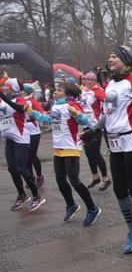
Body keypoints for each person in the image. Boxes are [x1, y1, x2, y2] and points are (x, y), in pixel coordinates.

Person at [81, 45, 132, 258]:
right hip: (114, 143)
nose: (110, 58)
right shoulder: (109, 85)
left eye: (114, 56)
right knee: (119, 190)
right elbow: (109, 113)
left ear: (125, 60)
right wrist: (94, 130)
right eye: (109, 55)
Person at [28, 83, 102, 225]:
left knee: (74, 181)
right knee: (60, 181)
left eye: (59, 90)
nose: (55, 92)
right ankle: (71, 205)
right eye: (55, 90)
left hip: (71, 148)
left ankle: (92, 209)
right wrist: (33, 112)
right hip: (58, 148)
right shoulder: (55, 105)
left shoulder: (72, 105)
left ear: (68, 94)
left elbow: (85, 121)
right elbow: (48, 120)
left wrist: (76, 114)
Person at [0, 78, 46, 212]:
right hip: (9, 139)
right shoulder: (3, 101)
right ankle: (22, 195)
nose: (5, 88)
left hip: (21, 138)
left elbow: (20, 109)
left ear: (13, 88)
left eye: (7, 86)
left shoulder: (20, 99)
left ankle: (37, 196)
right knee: (12, 169)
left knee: (22, 169)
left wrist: (4, 97)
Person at [80, 72, 112, 190]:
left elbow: (109, 102)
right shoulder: (83, 91)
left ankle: (105, 178)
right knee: (88, 153)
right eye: (86, 79)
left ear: (94, 81)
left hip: (96, 126)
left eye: (91, 80)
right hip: (85, 126)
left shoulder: (98, 91)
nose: (88, 82)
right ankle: (95, 177)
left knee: (96, 153)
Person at [22, 84, 46, 188]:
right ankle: (30, 177)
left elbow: (41, 112)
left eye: (22, 90)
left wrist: (32, 113)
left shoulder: (32, 101)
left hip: (33, 130)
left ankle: (40, 176)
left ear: (26, 92)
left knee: (32, 155)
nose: (20, 91)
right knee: (26, 156)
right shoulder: (19, 100)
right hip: (23, 130)